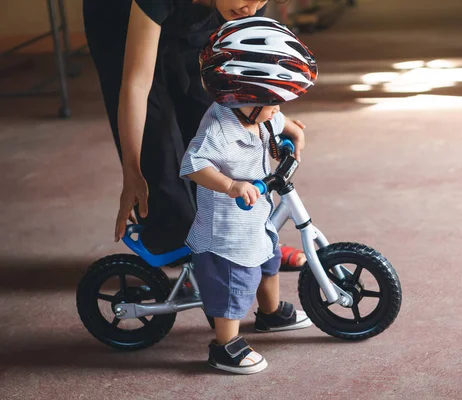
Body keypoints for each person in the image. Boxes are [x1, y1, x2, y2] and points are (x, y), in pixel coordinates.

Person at [82, 0, 306, 268]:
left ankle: (248, 242)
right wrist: (131, 169)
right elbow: (137, 85)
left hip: (201, 11)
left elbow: (242, 74)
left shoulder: (245, 4)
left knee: (214, 119)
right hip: (119, 18)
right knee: (157, 140)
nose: (253, 8)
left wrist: (274, 117)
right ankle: (179, 246)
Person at [179, 16, 318, 374]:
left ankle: (270, 314)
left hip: (255, 216)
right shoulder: (218, 130)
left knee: (268, 260)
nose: (277, 110)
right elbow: (192, 164)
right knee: (233, 283)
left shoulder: (257, 111)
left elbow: (280, 122)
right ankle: (225, 345)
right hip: (226, 232)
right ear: (244, 95)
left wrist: (294, 133)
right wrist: (230, 185)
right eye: (274, 103)